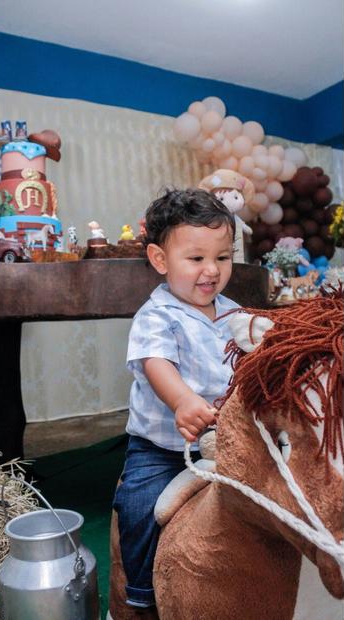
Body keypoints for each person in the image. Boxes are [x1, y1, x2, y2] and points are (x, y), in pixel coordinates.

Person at [113, 188, 240, 609]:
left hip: (227, 439)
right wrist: (183, 401)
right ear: (160, 260)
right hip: (163, 446)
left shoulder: (233, 311)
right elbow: (156, 364)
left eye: (222, 258)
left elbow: (254, 353)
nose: (212, 271)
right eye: (196, 259)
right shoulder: (157, 315)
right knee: (138, 505)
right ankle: (143, 595)